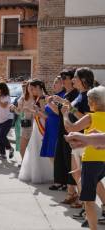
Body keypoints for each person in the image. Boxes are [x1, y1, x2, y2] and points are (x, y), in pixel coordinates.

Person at [62, 85, 105, 230]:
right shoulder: (92, 115)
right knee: (92, 183)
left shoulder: (91, 116)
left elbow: (70, 128)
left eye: (89, 101)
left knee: (88, 199)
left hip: (91, 159)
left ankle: (93, 227)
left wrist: (65, 115)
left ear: (93, 101)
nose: (87, 103)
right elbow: (82, 116)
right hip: (102, 159)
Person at [51, 69, 79, 205]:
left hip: (72, 131)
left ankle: (74, 194)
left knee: (71, 163)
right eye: (61, 76)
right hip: (63, 130)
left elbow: (78, 113)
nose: (62, 79)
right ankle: (71, 192)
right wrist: (55, 104)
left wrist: (65, 104)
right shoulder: (66, 94)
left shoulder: (76, 94)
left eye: (65, 77)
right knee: (62, 161)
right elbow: (62, 113)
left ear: (72, 79)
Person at [19, 80, 54, 184]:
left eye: (33, 88)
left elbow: (45, 115)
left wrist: (34, 111)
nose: (31, 90)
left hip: (41, 127)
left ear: (39, 87)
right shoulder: (39, 97)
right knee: (34, 149)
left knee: (38, 149)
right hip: (37, 125)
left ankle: (43, 173)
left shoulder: (43, 98)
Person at [11, 81, 35, 161]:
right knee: (22, 148)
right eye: (29, 86)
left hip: (36, 125)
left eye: (32, 86)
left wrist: (30, 110)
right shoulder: (23, 97)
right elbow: (19, 111)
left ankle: (30, 165)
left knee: (33, 148)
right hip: (25, 124)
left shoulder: (38, 98)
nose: (30, 88)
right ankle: (24, 163)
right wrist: (14, 108)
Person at [0, 82, 14, 159]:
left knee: (2, 135)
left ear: (2, 89)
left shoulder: (6, 97)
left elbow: (4, 105)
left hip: (8, 119)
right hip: (1, 119)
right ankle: (2, 154)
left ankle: (10, 148)